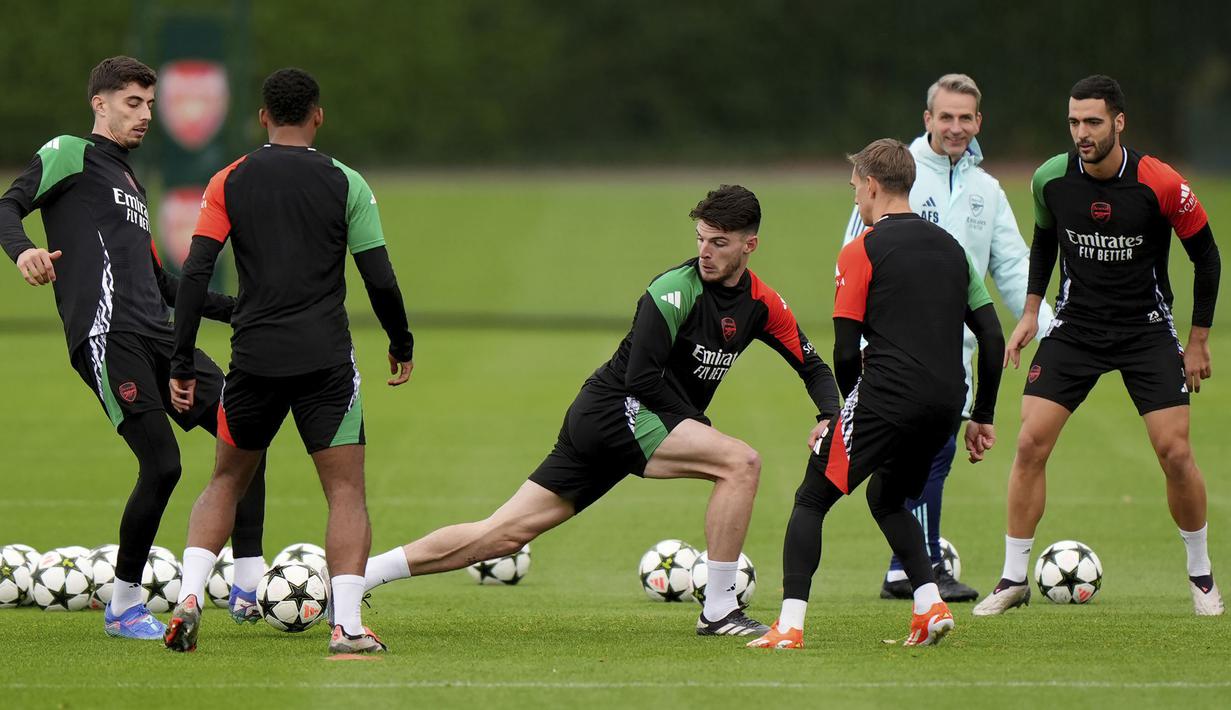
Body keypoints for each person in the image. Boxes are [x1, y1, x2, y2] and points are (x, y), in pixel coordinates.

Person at [362, 184, 840, 637]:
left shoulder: (762, 302)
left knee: (502, 535)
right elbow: (640, 379)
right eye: (700, 239)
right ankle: (718, 610)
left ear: (749, 245)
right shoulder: (673, 290)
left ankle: (359, 577)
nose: (706, 252)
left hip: (624, 421)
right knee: (741, 463)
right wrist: (695, 424)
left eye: (719, 242)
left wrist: (827, 413)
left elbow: (812, 364)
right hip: (619, 410)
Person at [0, 56, 268, 640]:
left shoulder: (130, 183)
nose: (146, 115)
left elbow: (165, 285)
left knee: (243, 427)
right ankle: (123, 606)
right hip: (107, 335)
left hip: (160, 335)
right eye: (133, 103)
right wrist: (23, 251)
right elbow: (7, 205)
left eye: (150, 104)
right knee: (163, 464)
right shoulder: (69, 152)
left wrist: (245, 307)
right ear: (99, 103)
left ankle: (249, 587)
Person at [162, 68, 415, 655]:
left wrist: (180, 358)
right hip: (325, 361)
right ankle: (348, 628)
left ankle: (190, 597)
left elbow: (196, 272)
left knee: (225, 479)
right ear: (318, 116)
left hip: (253, 360)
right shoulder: (346, 182)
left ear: (262, 118)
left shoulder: (229, 181)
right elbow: (378, 275)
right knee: (346, 492)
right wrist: (400, 341)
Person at [973, 75, 1223, 617]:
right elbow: (1045, 240)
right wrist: (1033, 308)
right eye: (1074, 122)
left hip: (1146, 330)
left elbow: (1208, 257)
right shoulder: (1051, 179)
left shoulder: (1160, 183)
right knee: (1029, 444)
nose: (1081, 133)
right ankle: (1014, 578)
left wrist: (1197, 339)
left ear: (1118, 123)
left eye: (1092, 122)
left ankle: (1201, 576)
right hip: (1076, 329)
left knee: (1175, 453)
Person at [749, 139, 1004, 650]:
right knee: (887, 498)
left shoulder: (860, 249)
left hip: (889, 395)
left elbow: (845, 350)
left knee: (811, 497)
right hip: (946, 403)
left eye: (854, 190)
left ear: (870, 186)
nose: (855, 200)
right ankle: (929, 604)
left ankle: (790, 627)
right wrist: (983, 415)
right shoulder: (952, 248)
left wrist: (845, 412)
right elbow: (992, 337)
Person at [839, 74, 1054, 603]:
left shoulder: (986, 190)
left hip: (957, 352)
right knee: (920, 460)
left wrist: (1050, 325)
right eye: (946, 117)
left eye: (966, 118)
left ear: (979, 122)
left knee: (931, 460)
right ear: (927, 119)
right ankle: (914, 567)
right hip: (897, 349)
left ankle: (910, 566)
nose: (956, 127)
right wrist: (864, 344)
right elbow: (856, 249)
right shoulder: (897, 177)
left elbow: (1011, 263)